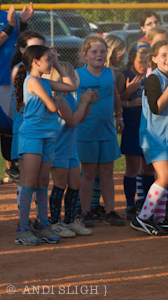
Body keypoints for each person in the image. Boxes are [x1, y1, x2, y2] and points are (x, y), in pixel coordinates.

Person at [14, 45, 76, 245]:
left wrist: (57, 63)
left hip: (49, 135)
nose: (50, 62)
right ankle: (22, 227)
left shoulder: (44, 81)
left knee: (42, 182)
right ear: (35, 62)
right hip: (32, 136)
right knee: (30, 182)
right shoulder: (32, 80)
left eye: (51, 60)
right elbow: (51, 106)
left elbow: (71, 86)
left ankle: (43, 225)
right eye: (48, 59)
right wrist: (58, 101)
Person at [130, 40, 168, 236]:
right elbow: (156, 107)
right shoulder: (154, 79)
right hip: (154, 136)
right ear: (154, 59)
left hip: (167, 136)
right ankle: (142, 218)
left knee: (162, 178)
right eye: (163, 55)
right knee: (165, 177)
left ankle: (160, 217)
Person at [75, 36, 125, 227]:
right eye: (94, 52)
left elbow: (115, 96)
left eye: (102, 52)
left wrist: (119, 116)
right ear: (85, 54)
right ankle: (85, 211)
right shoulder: (78, 75)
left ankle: (110, 210)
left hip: (107, 130)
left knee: (107, 173)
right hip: (86, 130)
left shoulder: (109, 72)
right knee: (88, 173)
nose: (99, 55)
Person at [49, 62, 97, 238]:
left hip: (71, 150)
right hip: (59, 149)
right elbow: (72, 121)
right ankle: (55, 223)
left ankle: (69, 221)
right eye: (73, 76)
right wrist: (84, 103)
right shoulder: (59, 99)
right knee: (60, 185)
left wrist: (88, 103)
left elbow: (80, 118)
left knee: (75, 184)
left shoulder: (71, 97)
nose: (77, 79)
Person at [0, 1, 34, 185]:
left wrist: (22, 23)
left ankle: (11, 168)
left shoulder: (6, 15)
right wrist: (10, 26)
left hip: (12, 78)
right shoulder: (8, 20)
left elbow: (22, 43)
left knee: (11, 125)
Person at [10, 30, 45, 217]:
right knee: (26, 177)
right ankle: (23, 219)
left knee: (41, 178)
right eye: (33, 47)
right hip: (25, 129)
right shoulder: (19, 70)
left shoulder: (45, 69)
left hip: (43, 131)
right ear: (23, 49)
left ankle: (41, 218)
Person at [116, 42, 151, 220]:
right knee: (132, 167)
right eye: (140, 61)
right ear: (131, 58)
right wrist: (129, 92)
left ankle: (146, 203)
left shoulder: (152, 76)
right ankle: (130, 204)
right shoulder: (124, 76)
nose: (143, 65)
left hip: (151, 129)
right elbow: (117, 102)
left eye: (147, 62)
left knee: (149, 167)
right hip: (132, 127)